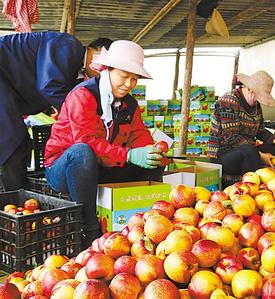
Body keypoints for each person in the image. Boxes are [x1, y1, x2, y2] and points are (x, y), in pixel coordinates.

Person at [44, 40, 164, 249]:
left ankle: (147, 223)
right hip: (64, 169)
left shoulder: (130, 104)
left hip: (100, 166)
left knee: (154, 162)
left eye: (134, 79)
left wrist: (150, 151)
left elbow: (138, 134)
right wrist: (129, 155)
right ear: (107, 70)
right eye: (124, 76)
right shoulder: (83, 95)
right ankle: (89, 229)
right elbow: (87, 141)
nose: (129, 84)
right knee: (83, 152)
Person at [0, 32, 113, 191]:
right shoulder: (68, 45)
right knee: (12, 140)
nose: (103, 74)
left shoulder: (76, 74)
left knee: (20, 141)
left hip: (9, 87)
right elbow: (49, 86)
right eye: (106, 68)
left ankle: (18, 196)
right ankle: (13, 200)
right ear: (96, 52)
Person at [208, 70, 275, 175]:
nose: (258, 101)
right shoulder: (229, 101)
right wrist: (261, 155)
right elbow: (231, 138)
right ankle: (255, 186)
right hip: (223, 155)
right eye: (258, 96)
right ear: (249, 89)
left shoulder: (255, 106)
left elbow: (261, 131)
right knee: (249, 151)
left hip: (249, 149)